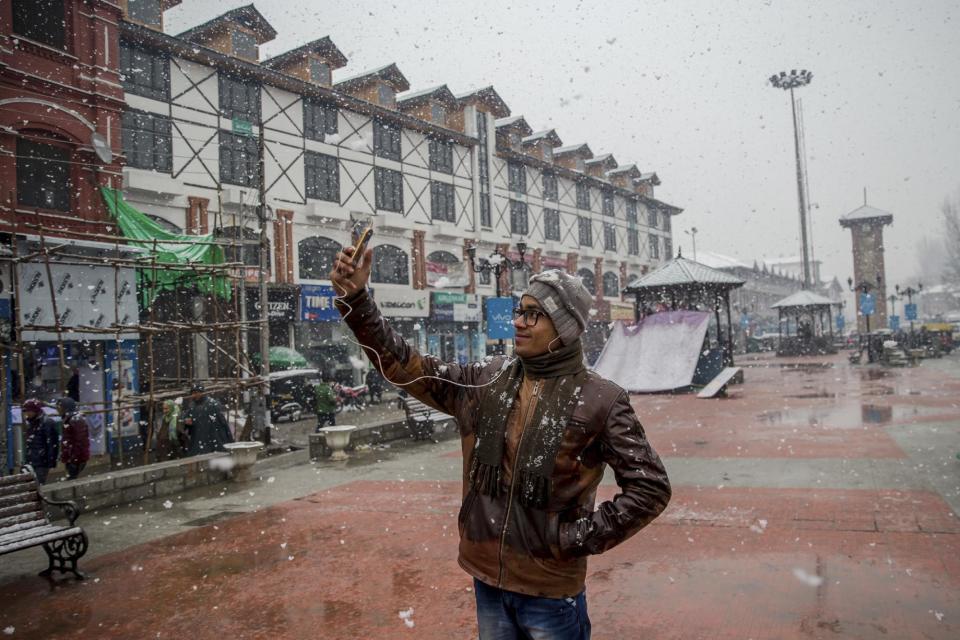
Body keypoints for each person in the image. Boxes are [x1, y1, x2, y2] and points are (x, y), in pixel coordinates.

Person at [331, 248, 671, 639]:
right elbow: (406, 367)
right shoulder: (487, 380)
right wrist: (357, 300)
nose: (518, 323)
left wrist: (575, 537)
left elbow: (651, 487)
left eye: (532, 314)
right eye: (518, 311)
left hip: (550, 589)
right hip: (487, 578)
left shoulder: (601, 400)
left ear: (564, 327)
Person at [181, 384, 233, 456]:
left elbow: (221, 422)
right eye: (192, 393)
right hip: (198, 437)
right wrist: (186, 421)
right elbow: (187, 418)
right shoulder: (192, 405)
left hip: (213, 436)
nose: (194, 395)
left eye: (196, 392)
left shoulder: (212, 404)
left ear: (202, 392)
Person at [22, 399, 59, 484]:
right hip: (33, 460)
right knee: (32, 484)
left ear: (35, 410)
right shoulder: (32, 422)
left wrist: (51, 461)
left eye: (29, 411)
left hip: (41, 461)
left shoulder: (46, 422)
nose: (27, 413)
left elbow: (52, 444)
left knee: (38, 484)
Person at [56, 397, 90, 480]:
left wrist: (74, 458)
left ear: (65, 408)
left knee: (72, 479)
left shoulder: (75, 420)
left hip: (75, 459)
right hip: (72, 457)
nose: (58, 410)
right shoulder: (70, 419)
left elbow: (80, 441)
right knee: (72, 478)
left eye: (60, 408)